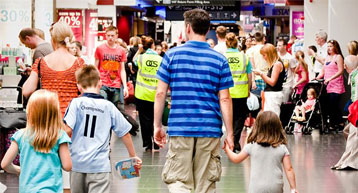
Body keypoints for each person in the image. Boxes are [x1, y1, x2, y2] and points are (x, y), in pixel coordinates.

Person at [153, 9, 234, 193]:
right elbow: (225, 98)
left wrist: (157, 126)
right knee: (205, 184)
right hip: (210, 128)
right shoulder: (219, 59)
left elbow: (160, 94)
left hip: (180, 127)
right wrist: (229, 133)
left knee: (179, 181)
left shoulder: (171, 56)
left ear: (188, 27)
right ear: (207, 30)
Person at [63, 65, 142, 192]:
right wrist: (133, 156)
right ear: (100, 83)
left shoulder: (76, 103)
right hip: (99, 166)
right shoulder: (109, 106)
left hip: (77, 164)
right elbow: (124, 133)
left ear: (78, 86)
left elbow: (67, 130)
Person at [1, 89, 72, 193]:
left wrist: (19, 170)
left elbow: (5, 164)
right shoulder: (60, 136)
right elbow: (67, 166)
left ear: (30, 111)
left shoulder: (21, 136)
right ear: (55, 113)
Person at [224, 111, 298, 193]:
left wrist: (227, 149)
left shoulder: (251, 146)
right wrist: (293, 188)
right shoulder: (282, 148)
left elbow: (236, 159)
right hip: (275, 187)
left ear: (257, 127)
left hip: (256, 188)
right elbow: (289, 169)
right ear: (277, 127)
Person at [23, 22, 85, 117]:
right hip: (71, 118)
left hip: (48, 116)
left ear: (53, 39)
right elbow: (85, 92)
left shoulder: (41, 62)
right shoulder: (78, 63)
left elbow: (26, 91)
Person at [224, 32, 252, 152]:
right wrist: (248, 89)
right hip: (241, 92)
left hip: (226, 93)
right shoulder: (244, 57)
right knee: (240, 117)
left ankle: (231, 138)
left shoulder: (222, 57)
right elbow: (249, 75)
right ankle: (235, 140)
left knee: (228, 116)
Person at [134, 36, 163, 152]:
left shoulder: (140, 58)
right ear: (153, 46)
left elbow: (133, 62)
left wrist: (139, 51)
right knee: (156, 119)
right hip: (156, 94)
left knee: (144, 119)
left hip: (141, 94)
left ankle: (147, 144)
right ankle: (156, 142)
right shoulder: (160, 60)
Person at [331, 55, 358, 170]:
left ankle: (349, 162)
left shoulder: (355, 77)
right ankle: (347, 161)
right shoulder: (354, 75)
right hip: (355, 107)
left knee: (353, 135)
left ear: (346, 66)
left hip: (356, 108)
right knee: (349, 132)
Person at [94, 26, 128, 106]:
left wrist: (125, 86)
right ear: (105, 35)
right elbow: (95, 68)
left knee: (113, 109)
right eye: (108, 35)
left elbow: (122, 69)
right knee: (103, 106)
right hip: (103, 83)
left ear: (116, 36)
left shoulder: (121, 50)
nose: (110, 38)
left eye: (112, 36)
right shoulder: (100, 48)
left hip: (116, 84)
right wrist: (96, 82)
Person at [316, 39, 345, 131]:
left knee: (334, 105)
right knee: (329, 105)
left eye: (331, 46)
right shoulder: (327, 57)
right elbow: (323, 70)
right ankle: (332, 123)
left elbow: (341, 71)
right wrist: (318, 77)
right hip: (328, 85)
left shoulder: (338, 57)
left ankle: (339, 122)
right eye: (328, 46)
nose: (329, 48)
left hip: (336, 85)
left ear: (335, 47)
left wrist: (330, 78)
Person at [253, 44, 285, 116]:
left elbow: (272, 82)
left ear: (270, 54)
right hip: (271, 94)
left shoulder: (277, 64)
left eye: (264, 55)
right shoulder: (275, 64)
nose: (264, 58)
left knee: (273, 118)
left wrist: (261, 74)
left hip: (274, 94)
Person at [247, 32, 268, 96]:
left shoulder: (250, 50)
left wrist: (252, 82)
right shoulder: (268, 49)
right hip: (268, 77)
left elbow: (251, 67)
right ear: (263, 38)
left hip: (256, 79)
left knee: (257, 102)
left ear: (255, 40)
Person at [277, 38, 297, 102]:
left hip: (287, 84)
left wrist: (294, 84)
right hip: (277, 84)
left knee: (284, 103)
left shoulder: (290, 58)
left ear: (285, 46)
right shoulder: (276, 56)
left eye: (280, 45)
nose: (278, 47)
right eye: (277, 45)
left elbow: (294, 71)